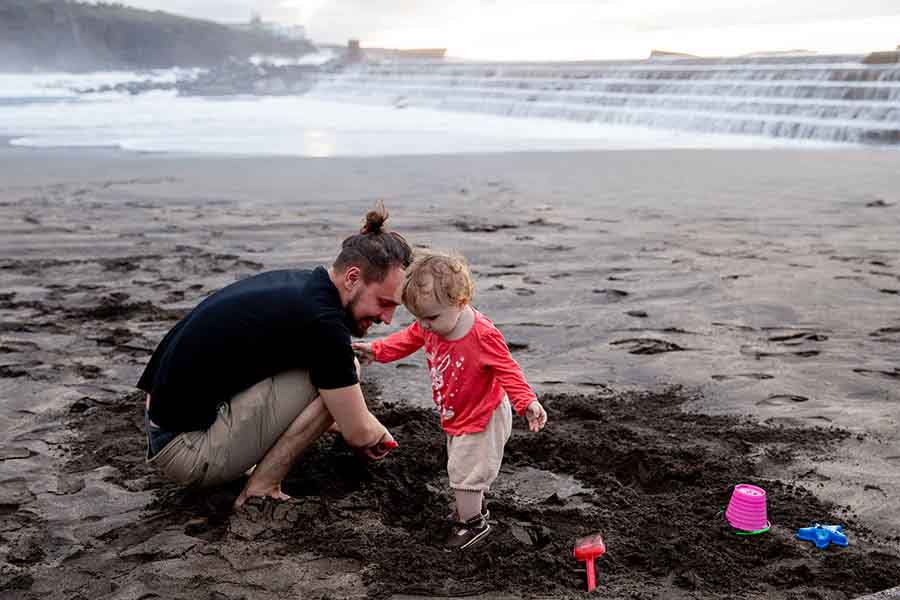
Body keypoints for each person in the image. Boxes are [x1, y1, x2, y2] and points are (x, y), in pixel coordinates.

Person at [137, 204, 412, 507]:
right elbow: (359, 434)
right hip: (187, 453)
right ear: (352, 277)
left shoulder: (302, 287)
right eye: (384, 303)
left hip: (162, 422)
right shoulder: (323, 322)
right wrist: (371, 428)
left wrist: (340, 416)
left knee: (329, 373)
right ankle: (263, 486)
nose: (387, 319)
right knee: (345, 369)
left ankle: (251, 461)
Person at [353, 251, 548, 551]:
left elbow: (508, 369)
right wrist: (377, 350)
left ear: (460, 302)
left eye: (430, 318)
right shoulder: (432, 323)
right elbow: (405, 340)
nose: (425, 325)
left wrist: (527, 402)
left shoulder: (482, 334)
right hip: (457, 413)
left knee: (464, 472)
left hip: (484, 415)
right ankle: (472, 510)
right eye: (419, 317)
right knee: (461, 465)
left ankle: (471, 524)